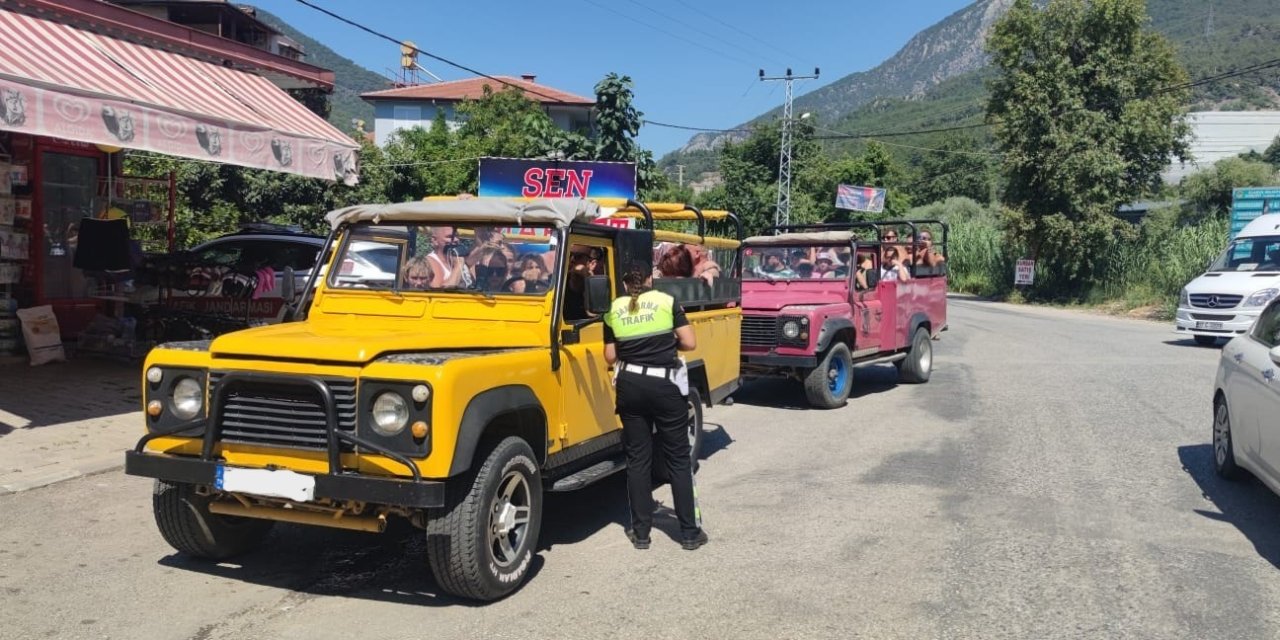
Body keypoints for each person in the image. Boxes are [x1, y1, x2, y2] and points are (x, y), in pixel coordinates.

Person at [603, 267, 707, 551]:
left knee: (638, 460)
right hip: (664, 386)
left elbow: (610, 355)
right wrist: (666, 343)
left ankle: (641, 534)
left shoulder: (614, 309)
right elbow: (689, 342)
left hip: (629, 386)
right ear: (650, 279)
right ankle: (688, 533)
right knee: (677, 459)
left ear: (625, 285)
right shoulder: (667, 301)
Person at [563, 244, 602, 320]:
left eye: (578, 256)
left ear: (592, 264)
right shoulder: (558, 282)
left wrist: (589, 277)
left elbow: (593, 314)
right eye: (569, 255)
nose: (572, 260)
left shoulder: (599, 284)